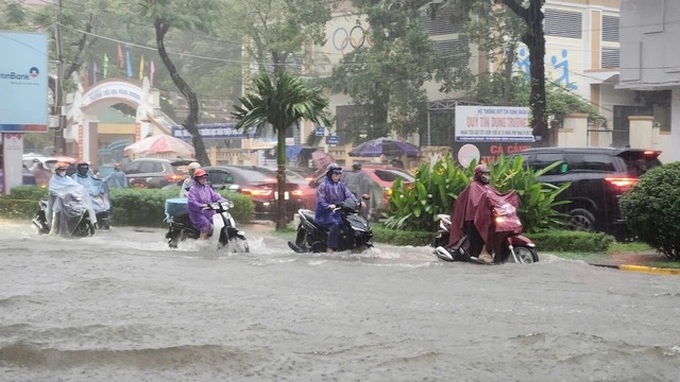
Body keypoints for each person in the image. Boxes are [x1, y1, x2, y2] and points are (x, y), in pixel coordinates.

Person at [446, 164, 496, 263]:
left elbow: (496, 197)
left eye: (488, 174)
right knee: (475, 239)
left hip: (484, 217)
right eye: (484, 174)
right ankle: (469, 255)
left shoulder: (488, 187)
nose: (487, 176)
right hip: (473, 217)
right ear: (479, 175)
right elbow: (475, 202)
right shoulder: (474, 186)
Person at [315, 164, 358, 253]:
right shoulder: (323, 186)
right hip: (326, 214)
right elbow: (320, 200)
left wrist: (357, 202)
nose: (337, 176)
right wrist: (328, 206)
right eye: (335, 174)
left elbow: (349, 195)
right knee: (336, 224)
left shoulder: (341, 185)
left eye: (338, 175)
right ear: (329, 174)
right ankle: (330, 247)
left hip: (339, 212)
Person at [47, 161, 97, 234]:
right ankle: (54, 231)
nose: (62, 171)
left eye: (64, 170)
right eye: (61, 170)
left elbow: (77, 187)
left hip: (69, 202)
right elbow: (52, 190)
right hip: (57, 202)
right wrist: (60, 194)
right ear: (57, 170)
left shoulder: (68, 179)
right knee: (57, 212)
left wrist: (82, 191)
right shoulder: (54, 179)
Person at [72, 160, 112, 229]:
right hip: (82, 197)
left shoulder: (89, 177)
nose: (84, 170)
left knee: (102, 205)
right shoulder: (74, 177)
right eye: (82, 168)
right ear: (78, 169)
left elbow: (97, 182)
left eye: (85, 168)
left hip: (93, 196)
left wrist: (103, 182)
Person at [187, 169, 224, 240]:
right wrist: (201, 205)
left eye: (205, 178)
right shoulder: (193, 189)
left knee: (219, 224)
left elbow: (215, 196)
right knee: (206, 225)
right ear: (197, 179)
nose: (204, 179)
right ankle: (200, 243)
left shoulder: (207, 187)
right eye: (202, 178)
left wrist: (224, 200)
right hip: (198, 214)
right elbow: (191, 201)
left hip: (209, 212)